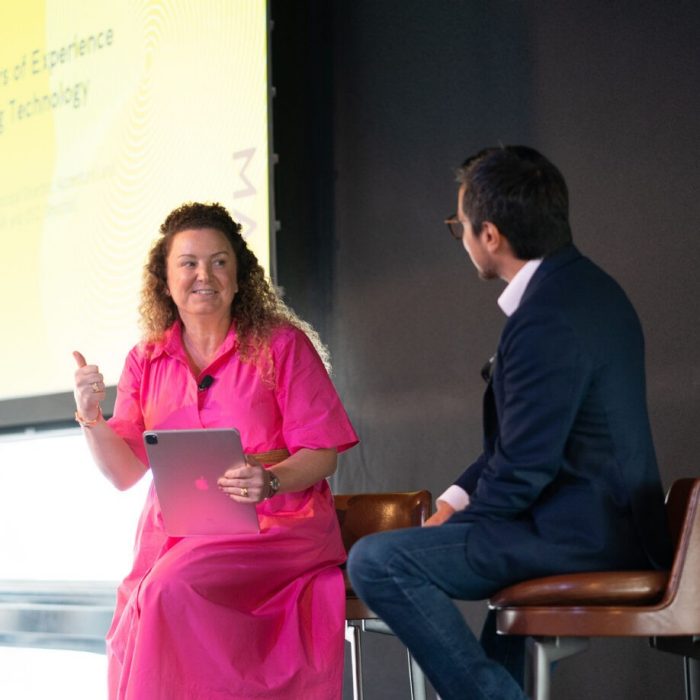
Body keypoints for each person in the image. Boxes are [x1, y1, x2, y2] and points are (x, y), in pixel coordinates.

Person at [347, 146, 672, 700]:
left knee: (377, 561)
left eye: (460, 227)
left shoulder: (548, 316)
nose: (463, 239)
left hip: (582, 533)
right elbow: (522, 444)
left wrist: (463, 530)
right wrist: (455, 500)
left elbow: (523, 465)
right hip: (597, 520)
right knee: (466, 588)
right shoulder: (584, 289)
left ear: (490, 235)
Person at [72, 202, 358, 699]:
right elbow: (123, 474)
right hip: (175, 535)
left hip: (277, 523)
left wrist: (268, 480)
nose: (204, 274)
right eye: (188, 263)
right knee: (138, 603)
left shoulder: (281, 344)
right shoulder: (145, 358)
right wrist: (91, 416)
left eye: (219, 261)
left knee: (168, 588)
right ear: (165, 280)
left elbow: (322, 452)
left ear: (239, 275)